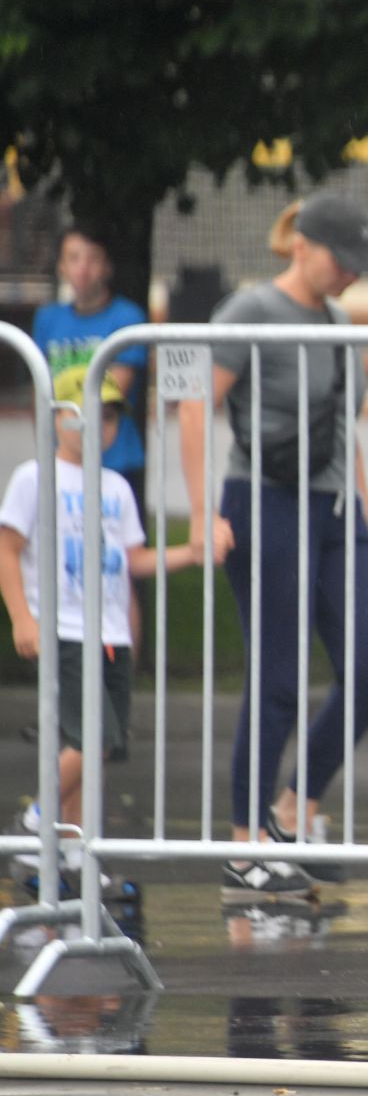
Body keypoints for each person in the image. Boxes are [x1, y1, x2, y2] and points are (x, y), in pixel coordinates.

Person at [177, 194, 368, 902]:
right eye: (345, 261)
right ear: (303, 246)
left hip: (335, 510)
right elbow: (192, 403)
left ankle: (294, 808)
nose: (353, 277)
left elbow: (342, 428)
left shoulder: (337, 321)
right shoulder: (249, 312)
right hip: (264, 502)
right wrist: (200, 513)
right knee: (278, 679)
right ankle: (246, 846)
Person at [0, 376, 217, 887]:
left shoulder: (116, 487)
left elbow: (131, 559)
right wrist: (21, 617)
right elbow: (7, 547)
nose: (99, 423)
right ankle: (39, 823)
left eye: (111, 414)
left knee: (95, 746)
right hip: (63, 629)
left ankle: (69, 848)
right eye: (83, 412)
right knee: (92, 738)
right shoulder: (35, 477)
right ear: (57, 419)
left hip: (110, 634)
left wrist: (188, 553)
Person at [33, 226, 151, 525]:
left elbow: (113, 392)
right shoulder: (48, 319)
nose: (82, 269)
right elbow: (41, 393)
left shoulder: (128, 317)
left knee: (119, 558)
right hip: (62, 462)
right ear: (61, 265)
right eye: (73, 258)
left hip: (116, 462)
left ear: (108, 266)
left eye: (92, 259)